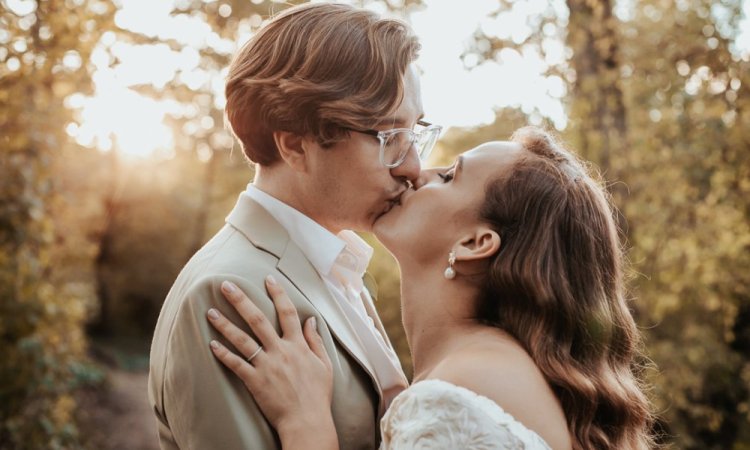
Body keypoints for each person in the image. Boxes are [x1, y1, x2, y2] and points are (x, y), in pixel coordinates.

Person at [207, 127, 656, 449]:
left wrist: (304, 424)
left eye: (449, 176)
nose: (416, 171)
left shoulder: (461, 388)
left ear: (475, 243)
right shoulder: (491, 371)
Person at [147, 3, 442, 449]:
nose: (413, 167)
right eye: (388, 138)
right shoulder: (231, 295)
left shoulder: (334, 267)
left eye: (414, 133)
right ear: (295, 145)